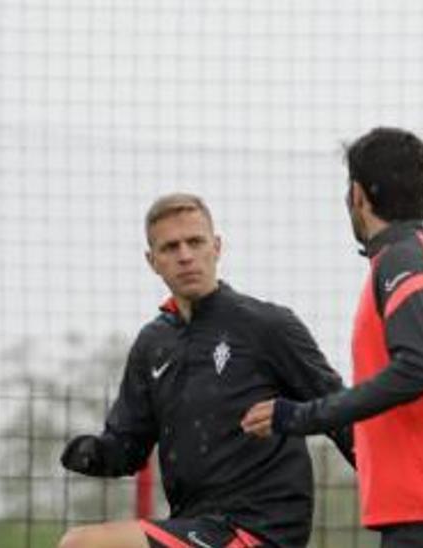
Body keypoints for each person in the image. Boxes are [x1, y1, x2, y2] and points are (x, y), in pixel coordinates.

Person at [240, 127, 423, 548]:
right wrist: (421, 442)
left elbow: (419, 367)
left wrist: (297, 416)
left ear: (357, 194)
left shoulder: (400, 261)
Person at [58, 193, 355, 548]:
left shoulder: (267, 326)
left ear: (216, 247)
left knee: (82, 545)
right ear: (152, 261)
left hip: (260, 529)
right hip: (194, 526)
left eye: (195, 242)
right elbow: (128, 447)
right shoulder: (152, 344)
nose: (185, 256)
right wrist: (95, 454)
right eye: (170, 247)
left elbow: (342, 414)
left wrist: (401, 497)